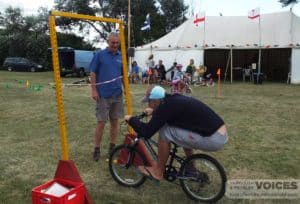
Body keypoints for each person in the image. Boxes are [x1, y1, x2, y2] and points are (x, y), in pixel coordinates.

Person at [125, 86, 228, 181]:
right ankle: (190, 168)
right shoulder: (172, 100)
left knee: (165, 132)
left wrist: (131, 120)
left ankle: (158, 172)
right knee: (179, 130)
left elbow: (146, 132)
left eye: (149, 101)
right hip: (219, 133)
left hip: (213, 138)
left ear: (156, 101)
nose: (148, 104)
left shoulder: (165, 107)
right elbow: (169, 112)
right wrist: (154, 111)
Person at [90, 32, 124, 162]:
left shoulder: (121, 56)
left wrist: (125, 89)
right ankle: (97, 149)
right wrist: (94, 90)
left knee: (115, 121)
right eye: (113, 42)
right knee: (101, 122)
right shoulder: (100, 55)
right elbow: (93, 72)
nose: (115, 45)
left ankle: (112, 148)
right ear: (108, 42)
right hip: (103, 95)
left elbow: (122, 74)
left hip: (117, 94)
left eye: (117, 43)